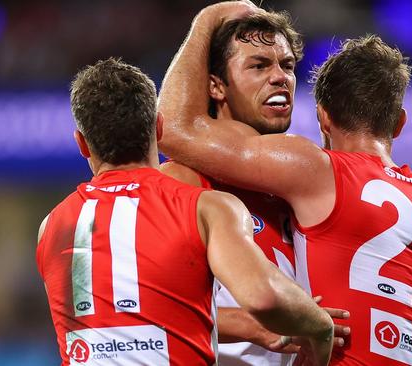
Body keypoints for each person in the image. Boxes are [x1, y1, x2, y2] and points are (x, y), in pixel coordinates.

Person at [158, 3, 412, 365]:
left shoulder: (304, 192)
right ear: (216, 86)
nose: (279, 77)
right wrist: (255, 322)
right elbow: (142, 306)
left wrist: (396, 299)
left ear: (322, 118)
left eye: (287, 66)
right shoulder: (182, 182)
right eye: (259, 65)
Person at [36, 56, 334, 366]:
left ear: (82, 144)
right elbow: (264, 297)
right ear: (159, 127)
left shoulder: (52, 226)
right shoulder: (205, 206)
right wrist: (320, 326)